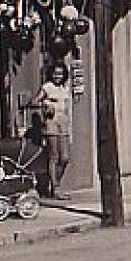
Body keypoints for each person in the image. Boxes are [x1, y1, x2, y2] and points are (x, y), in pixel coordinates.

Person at [33, 63, 73, 200]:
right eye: (55, 73)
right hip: (51, 123)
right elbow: (35, 102)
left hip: (64, 123)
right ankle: (56, 189)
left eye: (60, 74)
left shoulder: (65, 89)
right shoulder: (47, 87)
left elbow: (67, 108)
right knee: (54, 156)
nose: (58, 76)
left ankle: (55, 183)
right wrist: (45, 106)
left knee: (65, 158)